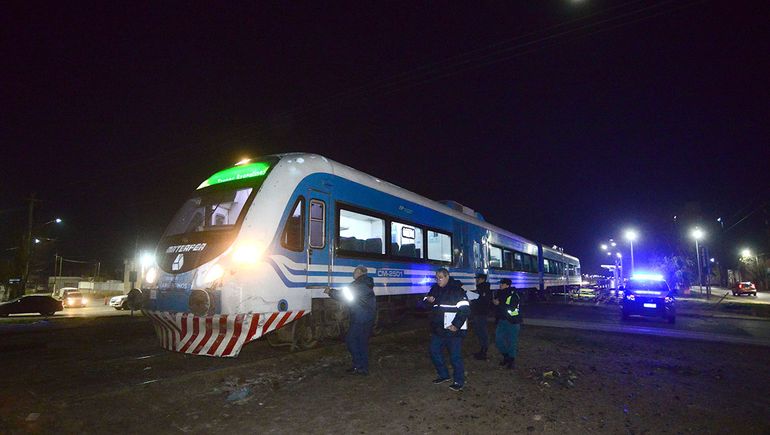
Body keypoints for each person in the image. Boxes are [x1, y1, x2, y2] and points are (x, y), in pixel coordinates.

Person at [423, 267, 470, 391]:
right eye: (437, 278)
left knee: (455, 357)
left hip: (453, 331)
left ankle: (459, 381)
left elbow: (465, 309)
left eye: (441, 278)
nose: (438, 280)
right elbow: (424, 303)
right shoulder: (435, 289)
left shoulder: (457, 290)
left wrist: (456, 325)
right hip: (438, 329)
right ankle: (444, 375)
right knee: (434, 351)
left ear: (447, 277)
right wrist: (428, 300)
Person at [324, 265, 376, 375]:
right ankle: (362, 367)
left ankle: (359, 365)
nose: (354, 273)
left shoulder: (358, 285)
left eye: (355, 271)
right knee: (362, 342)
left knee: (351, 339)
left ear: (360, 272)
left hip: (360, 317)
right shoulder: (366, 283)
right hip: (367, 316)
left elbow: (344, 295)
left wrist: (330, 291)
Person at [492, 278, 521, 369]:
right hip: (502, 320)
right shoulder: (500, 294)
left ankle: (511, 361)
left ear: (507, 285)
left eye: (502, 284)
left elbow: (511, 308)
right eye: (500, 283)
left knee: (512, 342)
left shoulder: (513, 295)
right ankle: (506, 356)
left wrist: (498, 304)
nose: (500, 285)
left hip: (513, 321)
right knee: (498, 340)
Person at [469, 273, 492, 360]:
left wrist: (472, 298)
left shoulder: (484, 288)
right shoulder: (481, 288)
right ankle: (482, 349)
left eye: (477, 278)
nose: (476, 280)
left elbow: (481, 300)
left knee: (482, 331)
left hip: (481, 313)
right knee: (479, 330)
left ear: (482, 279)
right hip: (478, 312)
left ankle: (484, 350)